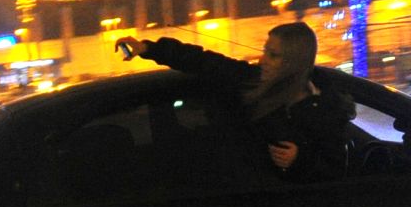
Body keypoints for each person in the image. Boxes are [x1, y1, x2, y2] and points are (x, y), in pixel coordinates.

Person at [117, 22, 354, 182]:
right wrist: (149, 48)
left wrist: (300, 159)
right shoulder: (249, 81)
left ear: (294, 62)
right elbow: (203, 61)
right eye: (265, 50)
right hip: (240, 201)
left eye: (273, 55)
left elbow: (334, 173)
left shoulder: (325, 107)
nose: (262, 59)